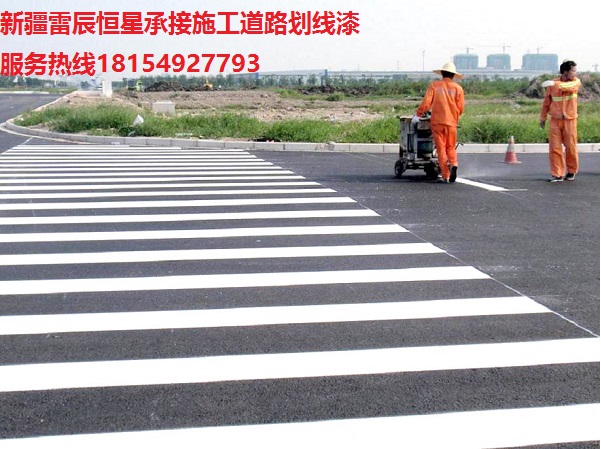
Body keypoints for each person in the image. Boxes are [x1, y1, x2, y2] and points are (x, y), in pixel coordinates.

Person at [413, 62, 465, 183]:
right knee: (450, 147)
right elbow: (461, 108)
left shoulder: (435, 86)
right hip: (451, 123)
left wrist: (418, 115)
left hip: (437, 122)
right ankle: (454, 164)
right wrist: (453, 116)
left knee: (441, 148)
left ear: (442, 73)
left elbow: (426, 103)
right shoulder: (458, 88)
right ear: (453, 75)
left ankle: (446, 175)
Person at [539, 60, 582, 182]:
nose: (575, 73)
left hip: (570, 120)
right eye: (573, 71)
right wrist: (543, 118)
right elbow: (546, 102)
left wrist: (554, 84)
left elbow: (569, 87)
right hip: (555, 120)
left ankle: (571, 171)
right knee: (555, 148)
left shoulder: (576, 82)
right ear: (565, 72)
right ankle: (557, 174)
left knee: (571, 147)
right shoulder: (553, 85)